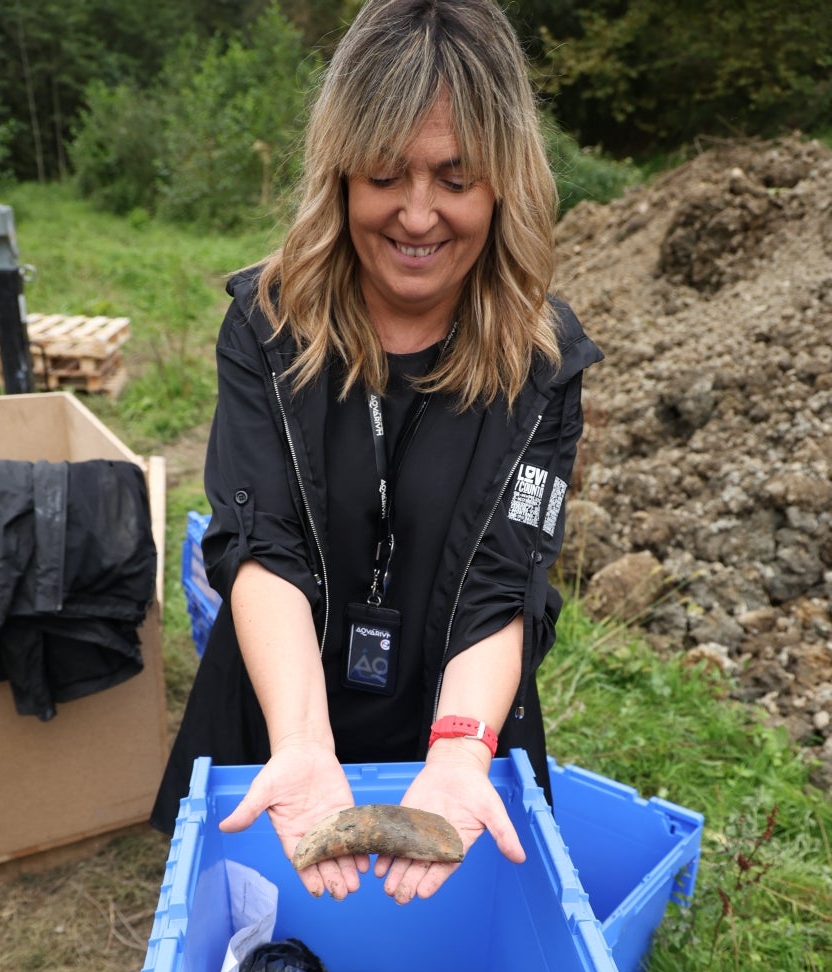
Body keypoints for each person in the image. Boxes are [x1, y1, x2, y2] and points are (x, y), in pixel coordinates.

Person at [151, 0, 602, 904]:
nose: (419, 214)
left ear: (503, 183)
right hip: (280, 711)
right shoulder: (267, 326)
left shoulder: (544, 364)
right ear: (342, 172)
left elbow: (505, 580)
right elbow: (260, 543)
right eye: (387, 174)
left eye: (456, 177)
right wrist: (302, 741)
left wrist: (460, 752)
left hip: (455, 723)